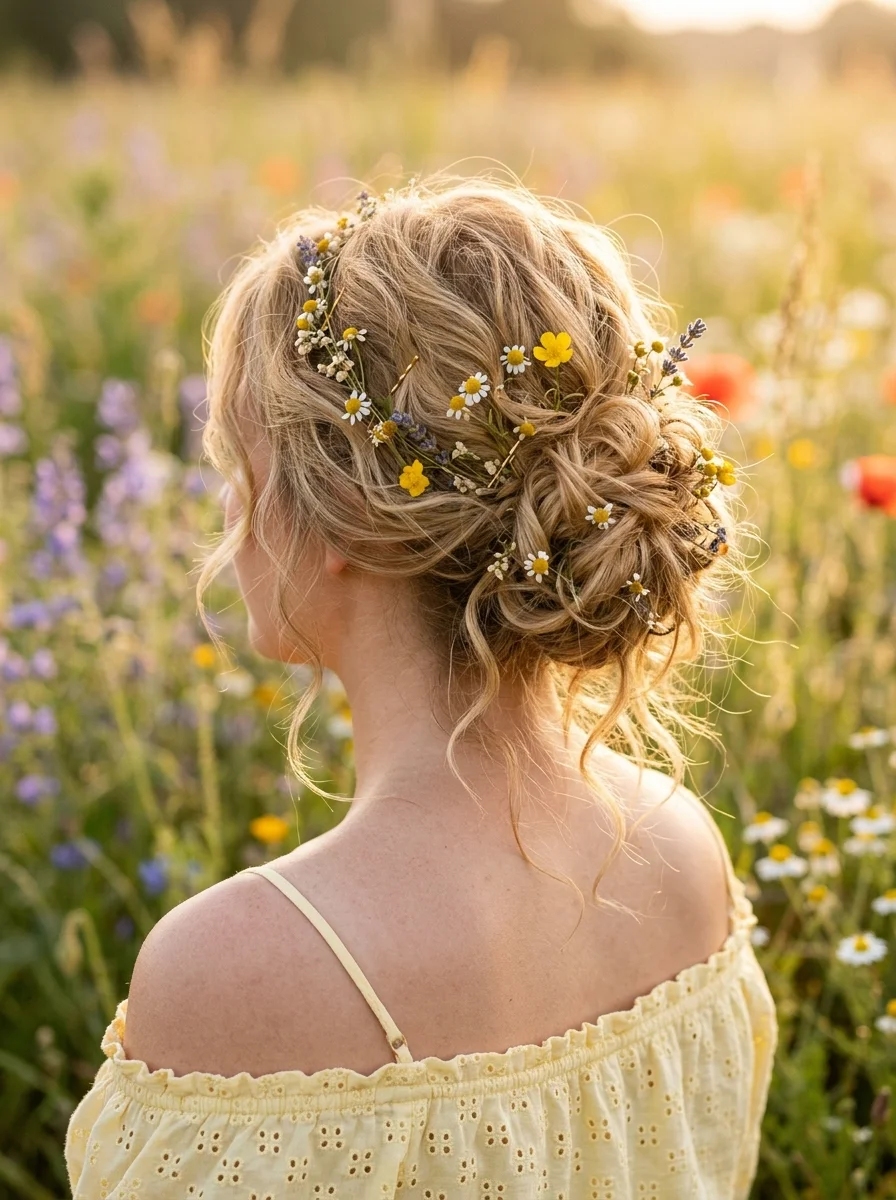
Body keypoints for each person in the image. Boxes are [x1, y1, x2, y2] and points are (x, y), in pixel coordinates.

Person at [65, 172, 777, 1198]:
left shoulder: (234, 970)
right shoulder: (680, 851)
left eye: (238, 469)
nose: (228, 517)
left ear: (347, 511)